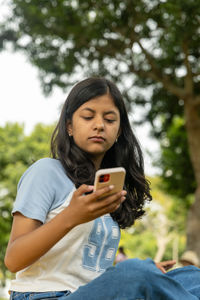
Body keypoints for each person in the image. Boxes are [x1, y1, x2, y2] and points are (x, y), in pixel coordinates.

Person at [4, 77, 200, 300]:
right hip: (44, 296)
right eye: (88, 117)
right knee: (135, 272)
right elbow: (13, 259)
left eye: (109, 119)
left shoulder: (108, 187)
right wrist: (72, 216)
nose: (99, 125)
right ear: (69, 125)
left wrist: (151, 276)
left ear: (118, 132)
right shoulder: (47, 171)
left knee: (192, 277)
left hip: (89, 293)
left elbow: (87, 272)